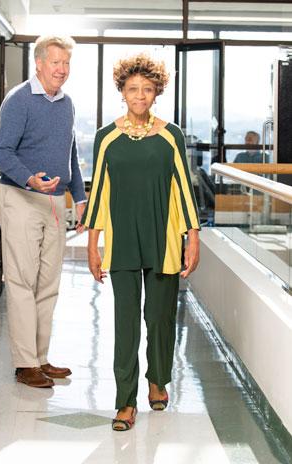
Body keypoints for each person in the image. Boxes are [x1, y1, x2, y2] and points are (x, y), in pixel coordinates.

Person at [81, 53, 200, 430]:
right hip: (122, 242)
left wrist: (192, 237)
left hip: (163, 238)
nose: (140, 96)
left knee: (160, 317)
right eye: (133, 89)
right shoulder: (107, 138)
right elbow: (98, 191)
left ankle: (157, 379)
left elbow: (183, 187)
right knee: (126, 321)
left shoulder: (170, 135)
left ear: (156, 93)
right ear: (122, 92)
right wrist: (92, 245)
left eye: (147, 90)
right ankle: (125, 402)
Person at [0, 36, 87, 388]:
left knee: (48, 283)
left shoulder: (67, 104)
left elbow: (70, 154)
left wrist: (78, 198)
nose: (62, 70)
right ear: (38, 64)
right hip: (19, 196)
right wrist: (31, 179)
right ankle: (24, 364)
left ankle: (40, 358)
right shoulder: (19, 101)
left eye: (66, 63)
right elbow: (3, 154)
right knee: (21, 281)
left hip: (54, 201)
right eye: (55, 63)